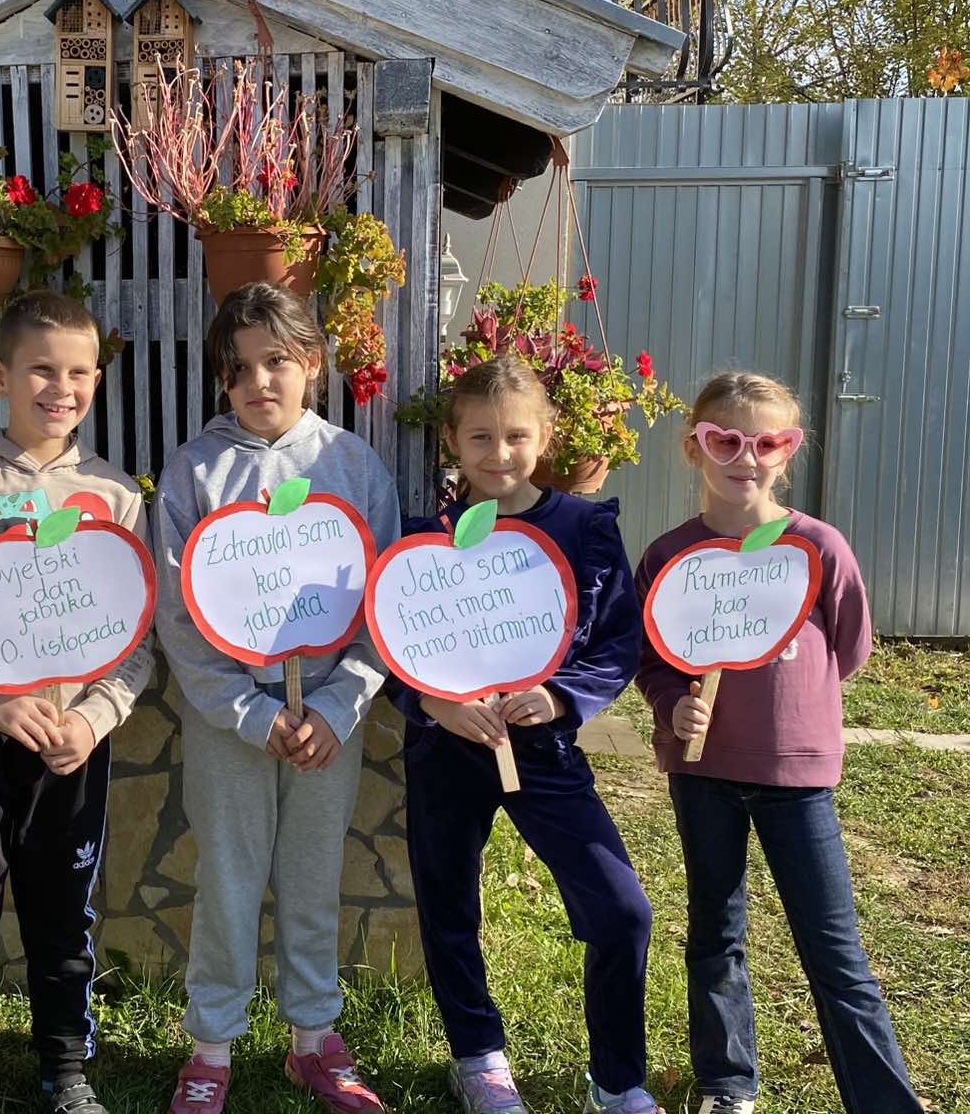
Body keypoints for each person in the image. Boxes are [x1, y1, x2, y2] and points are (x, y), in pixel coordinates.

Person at [635, 371, 923, 1114]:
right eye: (725, 440)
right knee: (715, 932)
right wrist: (672, 706)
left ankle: (884, 1102)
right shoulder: (670, 556)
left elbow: (849, 647)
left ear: (788, 452)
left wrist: (796, 707)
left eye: (768, 443)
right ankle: (727, 1085)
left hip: (797, 776)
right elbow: (653, 657)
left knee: (833, 949)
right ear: (694, 447)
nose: (747, 458)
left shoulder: (818, 546)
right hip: (703, 774)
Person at [0, 290, 155, 1114]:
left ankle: (65, 1068)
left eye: (80, 373)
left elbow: (136, 643)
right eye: (42, 369)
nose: (62, 388)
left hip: (71, 748)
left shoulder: (116, 498)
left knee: (63, 915)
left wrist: (93, 717)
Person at [154, 281, 400, 1114]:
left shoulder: (353, 467)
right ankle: (211, 1047)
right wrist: (250, 714)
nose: (259, 381)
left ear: (314, 364)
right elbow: (179, 616)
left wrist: (337, 707)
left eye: (276, 362)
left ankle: (313, 1038)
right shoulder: (195, 471)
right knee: (226, 880)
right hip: (232, 724)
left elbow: (385, 605)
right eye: (239, 369)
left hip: (327, 719)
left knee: (312, 878)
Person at [395, 354, 656, 1114]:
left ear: (544, 437)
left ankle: (617, 1081)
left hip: (543, 751)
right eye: (480, 437)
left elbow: (617, 642)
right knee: (449, 905)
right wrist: (431, 704)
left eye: (516, 436)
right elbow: (392, 643)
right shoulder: (426, 541)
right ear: (452, 441)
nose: (499, 454)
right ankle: (478, 1057)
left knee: (622, 911)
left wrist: (561, 696)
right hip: (448, 749)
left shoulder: (582, 528)